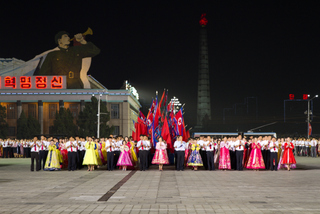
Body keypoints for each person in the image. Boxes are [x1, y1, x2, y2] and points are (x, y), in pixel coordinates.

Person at [35, 31, 100, 89]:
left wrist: (82, 41)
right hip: (58, 85)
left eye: (68, 36)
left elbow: (95, 51)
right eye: (65, 36)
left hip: (75, 85)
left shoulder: (76, 50)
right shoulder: (52, 54)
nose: (69, 38)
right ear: (59, 41)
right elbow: (43, 73)